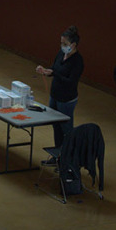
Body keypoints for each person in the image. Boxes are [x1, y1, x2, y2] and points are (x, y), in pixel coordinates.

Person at [36, 25, 84, 153]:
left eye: (65, 43)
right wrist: (47, 71)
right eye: (61, 43)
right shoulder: (61, 53)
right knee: (56, 126)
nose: (62, 46)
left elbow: (70, 82)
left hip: (66, 100)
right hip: (55, 96)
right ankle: (58, 154)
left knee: (66, 130)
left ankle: (68, 158)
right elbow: (55, 68)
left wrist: (55, 73)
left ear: (73, 45)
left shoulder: (77, 61)